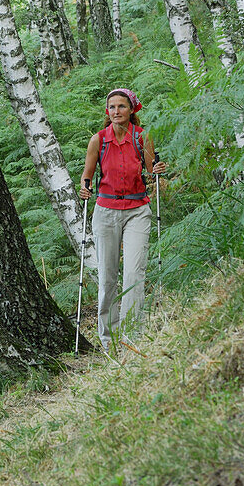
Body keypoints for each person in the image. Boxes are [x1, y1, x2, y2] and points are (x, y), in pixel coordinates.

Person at [79, 88, 166, 354]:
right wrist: (84, 189)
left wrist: (158, 171)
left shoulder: (142, 138)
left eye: (122, 106)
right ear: (108, 112)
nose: (116, 111)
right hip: (106, 212)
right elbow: (87, 176)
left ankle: (131, 338)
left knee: (133, 275)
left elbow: (151, 172)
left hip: (138, 210)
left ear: (132, 110)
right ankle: (108, 340)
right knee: (107, 278)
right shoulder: (99, 140)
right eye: (112, 107)